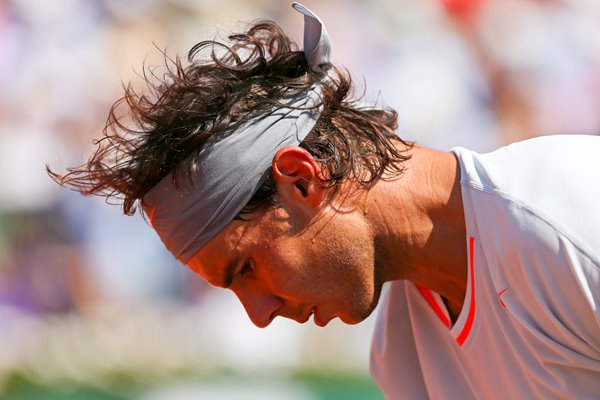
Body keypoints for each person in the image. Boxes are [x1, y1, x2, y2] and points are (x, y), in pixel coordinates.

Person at [49, 3, 600, 398]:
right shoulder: (401, 355)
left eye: (246, 269)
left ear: (303, 180)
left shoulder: (571, 219)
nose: (259, 316)